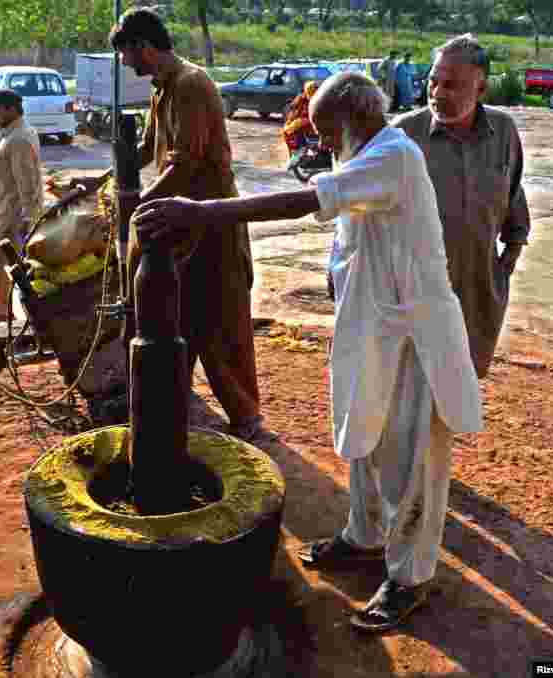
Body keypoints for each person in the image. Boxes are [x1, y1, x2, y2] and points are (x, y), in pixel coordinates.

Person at [132, 72, 483, 631]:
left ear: (349, 121)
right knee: (363, 439)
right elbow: (351, 232)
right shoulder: (365, 162)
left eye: (323, 132)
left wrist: (201, 212)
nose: (320, 144)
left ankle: (410, 577)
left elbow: (306, 200)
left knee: (413, 463)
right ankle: (364, 537)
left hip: (416, 344)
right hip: (372, 333)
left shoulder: (395, 156)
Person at [109, 7, 262, 441]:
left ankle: (247, 418)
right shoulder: (163, 89)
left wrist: (141, 202)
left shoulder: (192, 85)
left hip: (210, 222)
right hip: (179, 220)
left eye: (125, 55)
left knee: (218, 319)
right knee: (177, 315)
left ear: (142, 47)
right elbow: (146, 150)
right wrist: (104, 178)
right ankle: (176, 395)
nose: (125, 65)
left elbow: (186, 162)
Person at [395, 34, 531, 379]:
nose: (438, 93)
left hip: (477, 289)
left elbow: (513, 194)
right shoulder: (402, 136)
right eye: (433, 82)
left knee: (459, 384)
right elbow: (360, 208)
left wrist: (509, 258)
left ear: (481, 89)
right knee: (411, 384)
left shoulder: (502, 132)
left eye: (452, 86)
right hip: (413, 291)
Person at [0, 89, 44, 321]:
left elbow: (27, 184)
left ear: (11, 109)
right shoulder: (14, 133)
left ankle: (2, 317)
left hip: (13, 220)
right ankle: (4, 313)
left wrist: (28, 221)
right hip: (5, 215)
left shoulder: (18, 138)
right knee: (6, 272)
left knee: (2, 269)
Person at [282, 80, 320, 170]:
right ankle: (295, 154)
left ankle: (300, 150)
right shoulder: (302, 98)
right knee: (288, 130)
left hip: (314, 123)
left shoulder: (319, 99)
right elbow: (293, 109)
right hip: (305, 123)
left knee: (297, 126)